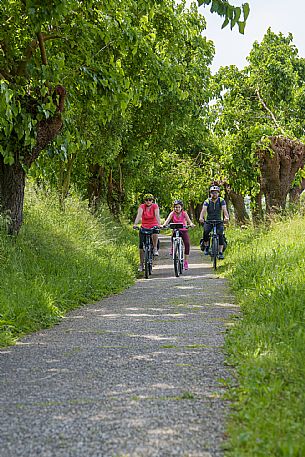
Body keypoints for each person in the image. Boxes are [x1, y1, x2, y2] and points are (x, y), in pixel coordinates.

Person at [163, 199, 195, 270]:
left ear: (181, 207)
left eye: (178, 207)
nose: (177, 209)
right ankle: (173, 248)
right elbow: (167, 221)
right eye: (175, 207)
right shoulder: (172, 213)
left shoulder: (184, 213)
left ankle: (185, 262)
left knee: (187, 244)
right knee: (172, 237)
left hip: (183, 230)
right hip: (176, 230)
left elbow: (189, 221)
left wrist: (191, 224)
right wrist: (164, 225)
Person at [199, 185, 229, 259]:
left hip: (219, 221)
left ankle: (221, 252)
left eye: (216, 193)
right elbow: (204, 210)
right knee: (205, 232)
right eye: (212, 193)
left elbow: (224, 209)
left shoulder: (221, 200)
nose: (214, 194)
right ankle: (206, 247)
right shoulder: (207, 201)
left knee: (220, 234)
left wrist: (226, 217)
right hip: (209, 221)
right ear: (210, 193)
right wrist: (201, 217)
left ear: (218, 193)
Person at [133, 193, 161, 272]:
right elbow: (139, 215)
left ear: (152, 201)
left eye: (150, 200)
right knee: (141, 246)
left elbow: (157, 215)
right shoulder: (142, 206)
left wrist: (159, 224)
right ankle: (141, 264)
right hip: (144, 226)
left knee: (155, 232)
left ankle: (155, 248)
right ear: (144, 201)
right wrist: (135, 224)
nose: (148, 201)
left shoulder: (155, 206)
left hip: (153, 225)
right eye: (146, 200)